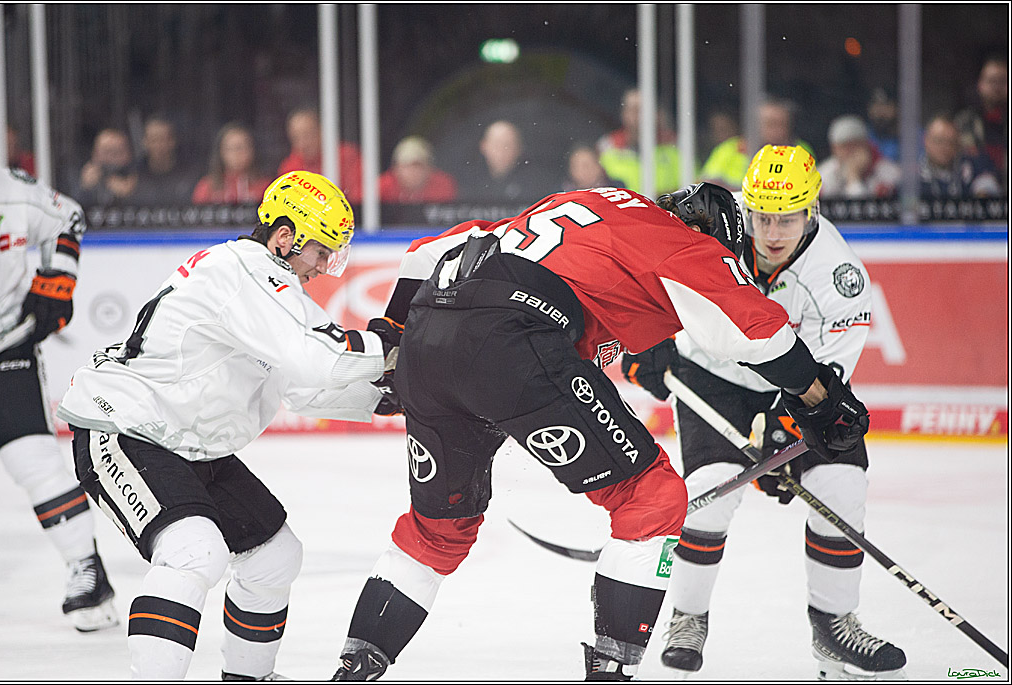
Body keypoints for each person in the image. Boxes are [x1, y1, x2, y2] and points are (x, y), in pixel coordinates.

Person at [328, 180, 871, 680]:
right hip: (514, 341)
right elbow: (756, 331)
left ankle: (354, 667)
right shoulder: (689, 242)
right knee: (652, 498)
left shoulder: (597, 203)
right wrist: (822, 401)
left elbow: (429, 252)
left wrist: (395, 338)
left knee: (436, 533)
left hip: (429, 339)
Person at [56, 171, 402, 680]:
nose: (327, 267)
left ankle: (249, 678)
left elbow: (303, 386)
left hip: (185, 443)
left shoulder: (264, 282)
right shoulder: (246, 271)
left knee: (274, 557)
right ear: (285, 237)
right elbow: (318, 359)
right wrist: (392, 344)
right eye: (322, 251)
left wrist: (394, 398)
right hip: (126, 429)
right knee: (193, 550)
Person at [622, 145, 906, 680]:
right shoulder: (711, 224)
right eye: (763, 217)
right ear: (746, 207)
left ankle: (833, 626)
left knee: (840, 486)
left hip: (801, 386)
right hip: (714, 376)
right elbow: (638, 266)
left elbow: (826, 384)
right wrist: (638, 341)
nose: (772, 232)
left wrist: (785, 428)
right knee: (710, 493)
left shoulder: (838, 276)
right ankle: (688, 616)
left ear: (812, 210)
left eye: (788, 217)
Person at [0, 162, 119, 633]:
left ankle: (88, 571)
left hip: (4, 343)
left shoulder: (13, 193)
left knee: (34, 461)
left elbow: (68, 216)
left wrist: (57, 280)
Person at [698, 97, 814, 191]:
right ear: (754, 125)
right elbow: (703, 186)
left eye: (782, 124)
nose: (777, 130)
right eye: (771, 124)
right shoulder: (730, 148)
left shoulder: (800, 149)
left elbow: (813, 187)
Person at [596, 87, 681, 196]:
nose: (637, 116)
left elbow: (691, 187)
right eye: (632, 109)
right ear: (624, 113)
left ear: (656, 114)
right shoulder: (607, 146)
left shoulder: (674, 146)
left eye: (642, 109)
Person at [277, 107, 364, 203]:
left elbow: (360, 194)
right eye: (296, 138)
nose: (303, 144)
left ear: (321, 131)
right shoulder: (290, 169)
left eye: (307, 135)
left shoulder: (346, 156)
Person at [457, 119, 552, 205]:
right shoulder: (468, 180)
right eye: (497, 144)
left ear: (519, 149)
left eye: (508, 145)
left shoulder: (536, 182)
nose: (502, 151)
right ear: (484, 146)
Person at [954, 55, 1008, 189]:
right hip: (975, 194)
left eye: (1002, 81)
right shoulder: (965, 121)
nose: (997, 87)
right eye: (991, 81)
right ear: (980, 85)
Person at [818, 115, 901, 199]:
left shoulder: (889, 173)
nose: (849, 152)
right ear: (834, 149)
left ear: (866, 146)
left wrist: (854, 178)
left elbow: (864, 210)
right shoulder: (824, 173)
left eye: (854, 145)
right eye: (844, 147)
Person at [920, 114, 1002, 199]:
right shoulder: (913, 175)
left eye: (950, 142)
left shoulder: (971, 166)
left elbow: (988, 185)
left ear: (958, 145)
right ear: (926, 140)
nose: (944, 147)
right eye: (939, 141)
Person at [192, 122, 273, 205]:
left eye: (241, 147)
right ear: (221, 152)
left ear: (252, 149)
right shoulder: (206, 187)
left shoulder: (267, 187)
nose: (236, 153)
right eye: (231, 148)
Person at [131, 115, 199, 206]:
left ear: (173, 141)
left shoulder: (192, 173)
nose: (159, 145)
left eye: (164, 139)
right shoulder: (133, 173)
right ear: (145, 142)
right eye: (154, 140)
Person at [378, 136, 457, 203]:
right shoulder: (381, 187)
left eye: (418, 166)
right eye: (406, 166)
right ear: (396, 169)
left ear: (429, 169)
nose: (412, 172)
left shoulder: (442, 185)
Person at [74, 127, 138, 208]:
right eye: (106, 152)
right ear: (95, 154)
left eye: (116, 153)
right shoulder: (76, 176)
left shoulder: (138, 175)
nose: (110, 159)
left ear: (128, 154)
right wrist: (84, 188)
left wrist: (131, 195)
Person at [865, 88, 900, 162]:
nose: (881, 112)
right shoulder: (864, 136)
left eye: (886, 106)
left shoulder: (912, 136)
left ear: (896, 108)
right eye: (876, 106)